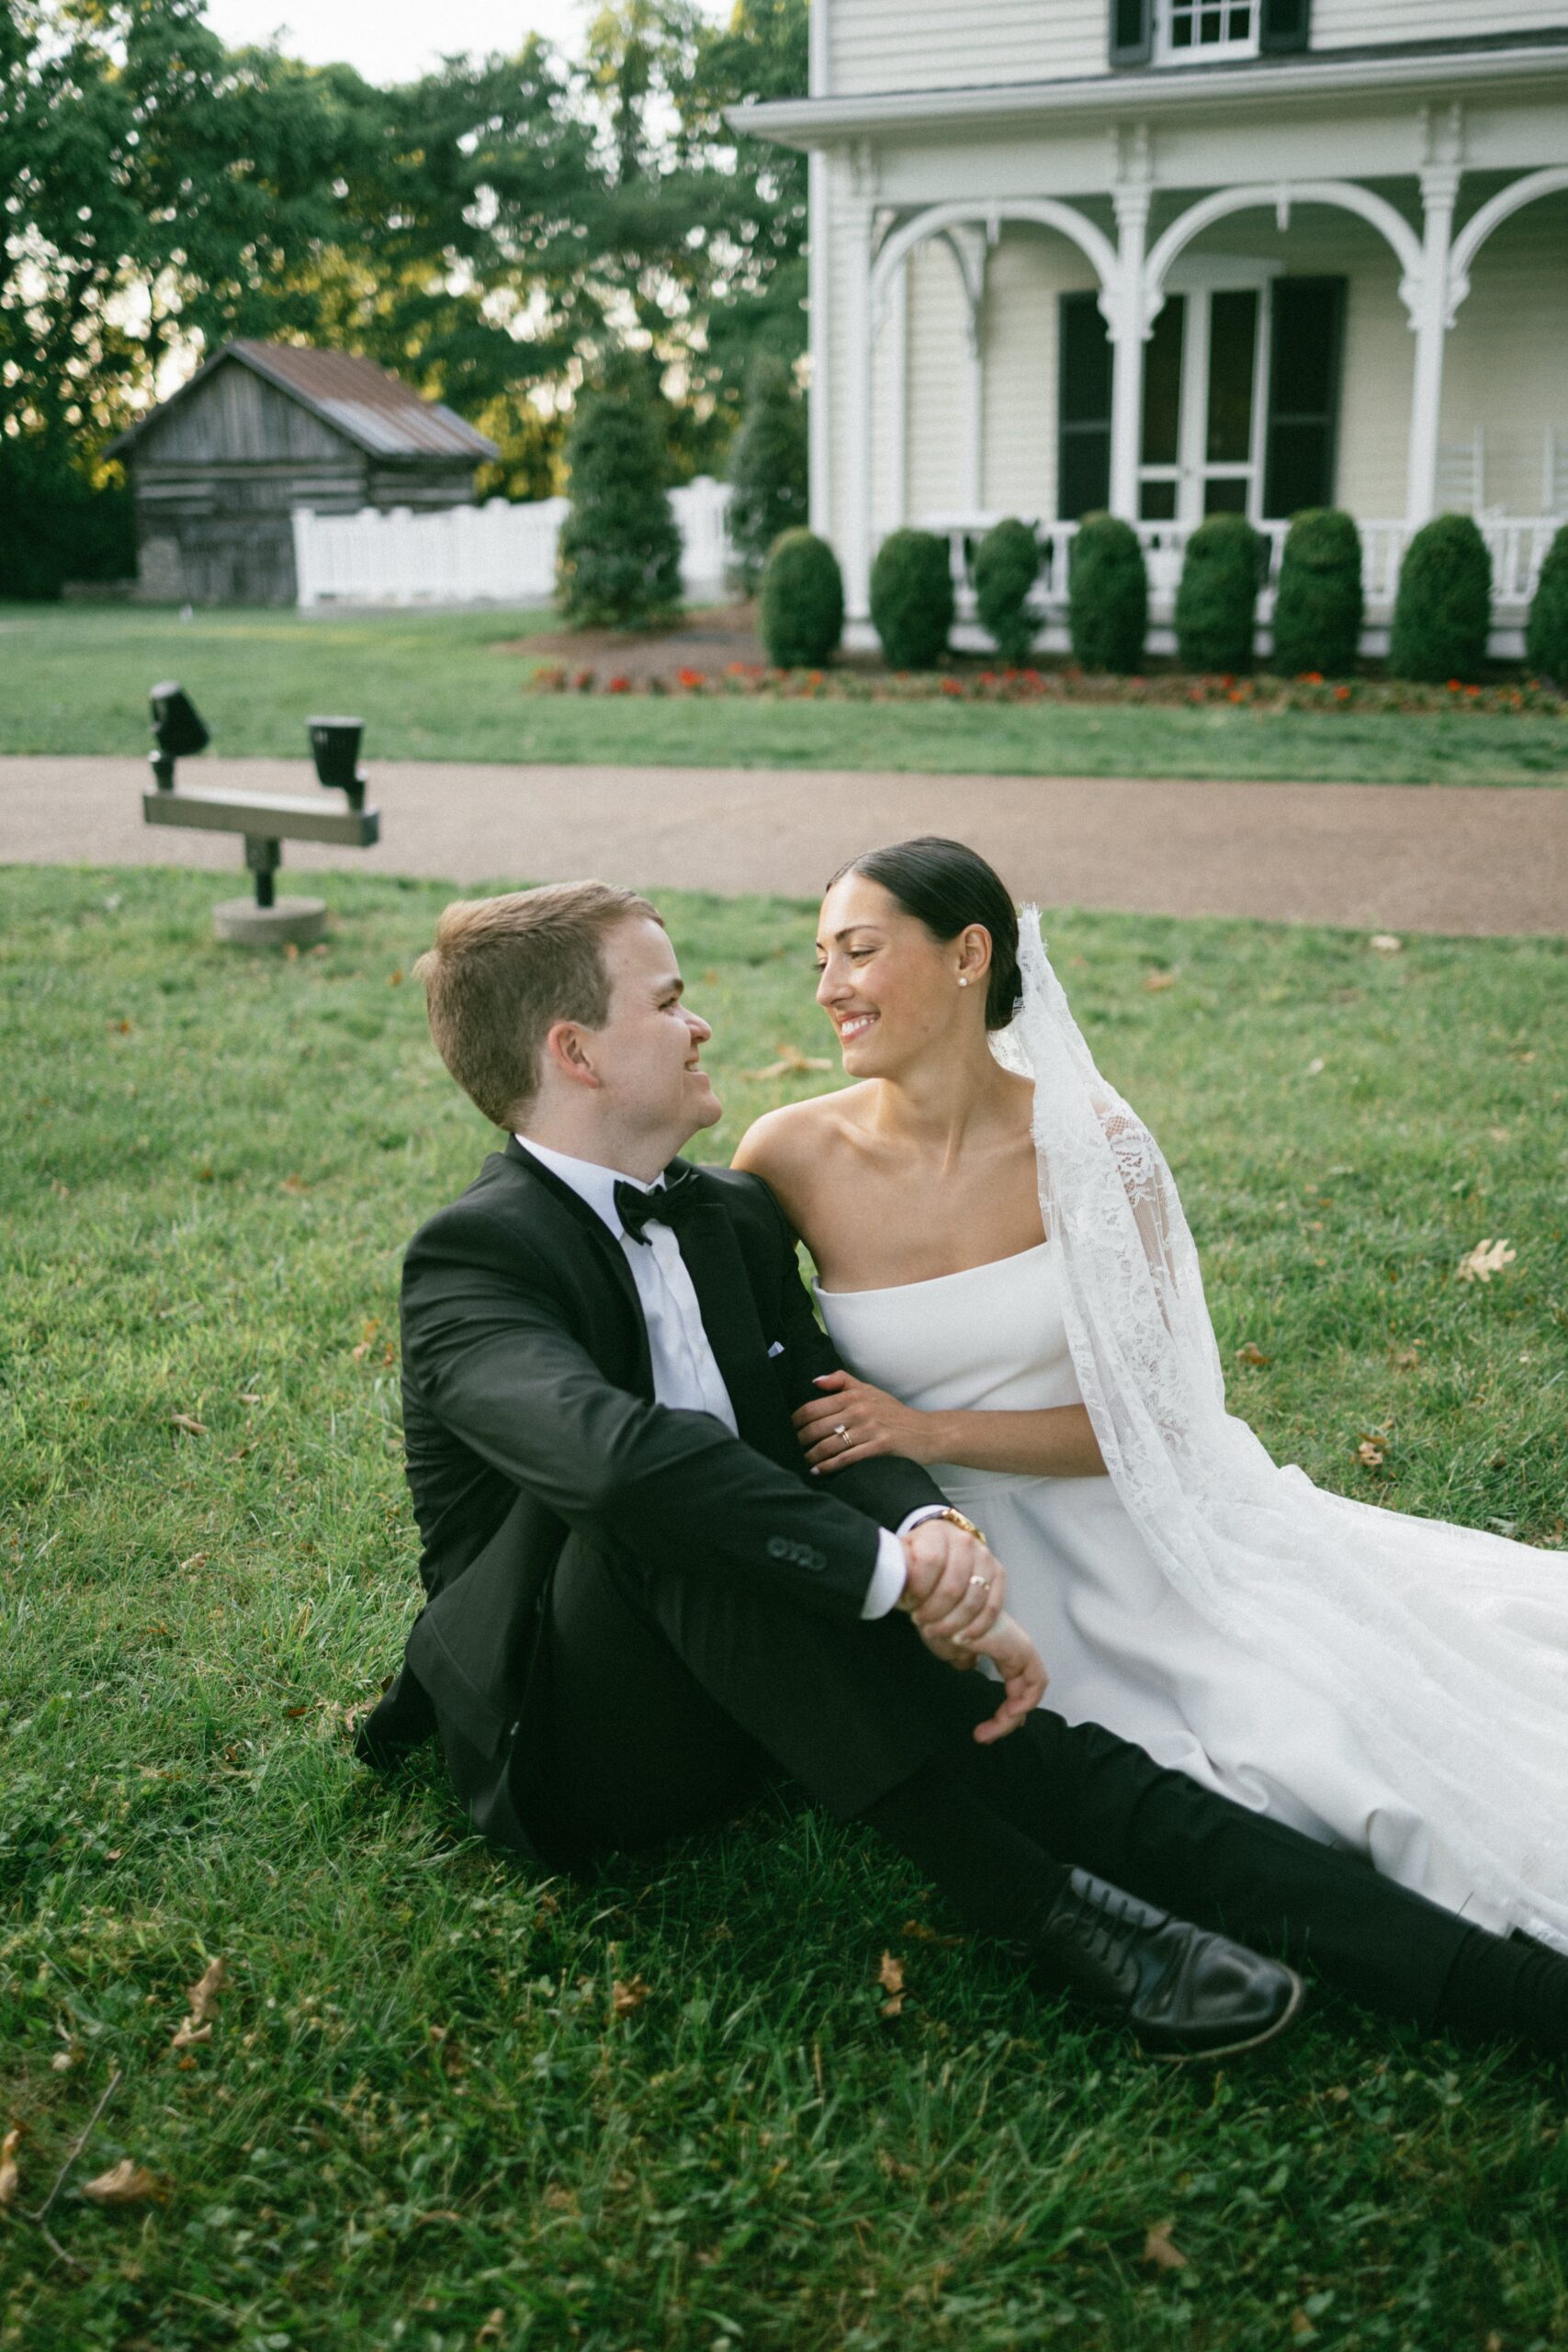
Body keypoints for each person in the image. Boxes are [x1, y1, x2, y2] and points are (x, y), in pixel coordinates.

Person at [357, 880, 1566, 2061]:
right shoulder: (472, 1264)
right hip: (583, 1735)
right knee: (664, 1509)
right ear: (576, 1054)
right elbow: (620, 1471)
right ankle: (1038, 1908)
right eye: (668, 1001)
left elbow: (830, 1420)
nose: (701, 1023)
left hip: (780, 1678)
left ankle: (1512, 1989)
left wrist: (935, 1531)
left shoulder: (726, 1220)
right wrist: (885, 1571)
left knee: (1062, 1759)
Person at [732, 836, 1568, 2026]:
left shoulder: (1093, 1147)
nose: (828, 989)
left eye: (859, 952)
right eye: (820, 959)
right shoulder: (788, 1156)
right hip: (956, 1552)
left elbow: (1166, 1425)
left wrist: (919, 1421)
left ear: (969, 955)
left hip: (1138, 1530)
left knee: (1318, 1746)